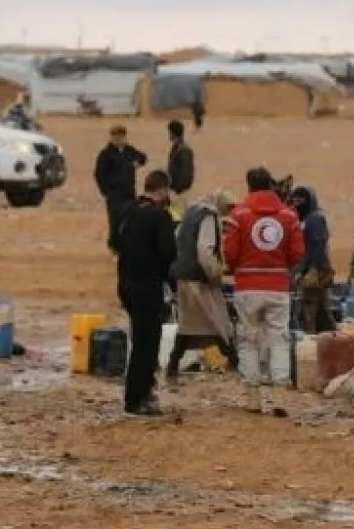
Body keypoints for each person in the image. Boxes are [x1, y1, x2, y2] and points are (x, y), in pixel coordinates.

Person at [224, 167, 303, 414]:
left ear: (248, 186)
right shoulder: (289, 216)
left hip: (247, 287)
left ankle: (253, 398)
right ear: (270, 185)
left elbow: (230, 253)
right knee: (279, 339)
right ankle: (279, 397)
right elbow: (298, 253)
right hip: (278, 287)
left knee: (248, 339)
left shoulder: (238, 215)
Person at [116, 169, 179, 417]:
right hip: (147, 287)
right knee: (147, 344)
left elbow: (116, 243)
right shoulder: (159, 216)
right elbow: (169, 252)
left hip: (126, 285)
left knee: (139, 340)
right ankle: (137, 399)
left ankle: (137, 394)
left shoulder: (128, 212)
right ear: (163, 190)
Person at [166, 190, 238, 383]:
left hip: (181, 274)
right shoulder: (209, 217)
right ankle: (235, 360)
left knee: (188, 322)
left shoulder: (191, 212)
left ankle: (173, 363)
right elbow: (204, 250)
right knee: (217, 320)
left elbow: (177, 236)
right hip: (198, 277)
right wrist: (215, 274)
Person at [288, 185, 335, 334]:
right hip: (314, 272)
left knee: (308, 314)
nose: (296, 205)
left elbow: (317, 246)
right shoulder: (311, 218)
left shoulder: (313, 220)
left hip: (314, 274)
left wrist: (312, 270)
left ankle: (312, 345)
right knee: (322, 313)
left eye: (300, 201)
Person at [94, 125, 148, 252]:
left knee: (130, 219)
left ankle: (127, 244)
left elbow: (143, 157)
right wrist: (106, 191)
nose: (118, 139)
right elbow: (99, 174)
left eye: (121, 136)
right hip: (114, 193)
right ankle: (114, 246)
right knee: (115, 220)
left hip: (129, 191)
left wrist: (137, 163)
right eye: (116, 136)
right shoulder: (106, 154)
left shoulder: (129, 151)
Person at [166, 120, 195, 212]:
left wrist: (179, 189)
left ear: (173, 133)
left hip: (179, 191)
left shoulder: (183, 150)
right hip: (175, 190)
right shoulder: (177, 148)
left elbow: (187, 172)